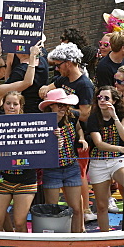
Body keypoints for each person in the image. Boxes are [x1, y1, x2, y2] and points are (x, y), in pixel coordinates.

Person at [0, 90, 38, 232]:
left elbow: (43, 147)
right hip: (3, 180)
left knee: (20, 223)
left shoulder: (31, 125)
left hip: (26, 180)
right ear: (3, 105)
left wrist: (55, 140)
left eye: (15, 104)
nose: (12, 107)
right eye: (8, 103)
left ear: (21, 106)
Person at [86, 84, 124, 232]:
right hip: (98, 162)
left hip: (116, 161)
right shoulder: (94, 116)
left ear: (114, 101)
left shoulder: (120, 115)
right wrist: (119, 148)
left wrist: (114, 117)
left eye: (106, 98)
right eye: (99, 97)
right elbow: (99, 144)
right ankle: (105, 234)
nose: (102, 100)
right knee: (101, 205)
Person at [37, 89, 87, 233]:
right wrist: (51, 142)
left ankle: (77, 239)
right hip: (51, 169)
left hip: (71, 166)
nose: (63, 108)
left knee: (76, 208)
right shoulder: (42, 122)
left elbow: (78, 128)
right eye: (59, 105)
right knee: (51, 209)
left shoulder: (73, 116)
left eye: (65, 105)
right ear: (50, 106)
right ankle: (54, 241)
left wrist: (81, 138)